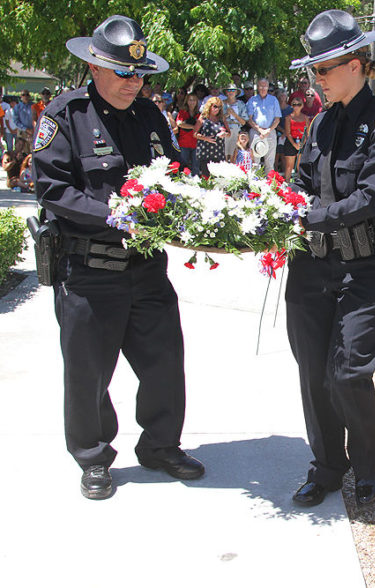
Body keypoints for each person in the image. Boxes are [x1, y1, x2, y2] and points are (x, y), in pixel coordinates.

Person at [32, 14, 204, 500]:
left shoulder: (149, 117)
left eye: (141, 74)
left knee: (166, 362)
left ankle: (161, 446)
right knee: (88, 373)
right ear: (94, 67)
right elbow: (52, 190)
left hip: (146, 268)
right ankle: (92, 456)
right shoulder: (64, 116)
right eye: (125, 74)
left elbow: (171, 176)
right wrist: (117, 215)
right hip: (90, 271)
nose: (135, 83)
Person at [286, 9, 375, 508]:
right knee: (314, 371)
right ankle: (327, 465)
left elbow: (371, 196)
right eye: (313, 70)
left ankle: (366, 466)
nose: (316, 80)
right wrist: (282, 209)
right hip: (314, 265)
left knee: (349, 371)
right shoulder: (318, 124)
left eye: (323, 69)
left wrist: (309, 217)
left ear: (354, 65)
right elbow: (300, 183)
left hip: (366, 267)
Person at [246, 78, 281, 173]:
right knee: (255, 163)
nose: (263, 88)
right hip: (256, 132)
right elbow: (249, 119)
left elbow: (277, 119)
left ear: (268, 87)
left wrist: (268, 130)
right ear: (257, 87)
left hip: (270, 131)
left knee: (270, 162)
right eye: (261, 86)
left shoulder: (273, 100)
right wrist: (260, 130)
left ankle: (269, 185)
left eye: (265, 86)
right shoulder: (252, 100)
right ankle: (254, 185)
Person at [194, 96, 229, 176]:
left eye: (219, 107)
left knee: (217, 176)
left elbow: (229, 133)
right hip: (205, 151)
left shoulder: (221, 118)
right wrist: (205, 138)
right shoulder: (203, 117)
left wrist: (224, 134)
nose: (217, 109)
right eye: (215, 106)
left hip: (218, 151)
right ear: (210, 106)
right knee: (205, 176)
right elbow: (195, 133)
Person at [282, 95, 307, 182]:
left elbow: (307, 133)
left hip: (302, 141)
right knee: (289, 166)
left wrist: (302, 143)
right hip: (291, 141)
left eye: (299, 104)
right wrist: (294, 145)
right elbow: (288, 133)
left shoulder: (305, 118)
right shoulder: (288, 118)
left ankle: (301, 184)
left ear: (302, 105)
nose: (296, 106)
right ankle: (287, 185)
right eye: (294, 104)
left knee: (300, 166)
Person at [176, 93, 200, 175]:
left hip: (196, 143)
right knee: (182, 164)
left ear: (197, 102)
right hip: (184, 142)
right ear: (187, 101)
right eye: (190, 100)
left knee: (196, 166)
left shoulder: (199, 114)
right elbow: (179, 123)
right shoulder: (182, 112)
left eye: (194, 100)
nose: (192, 102)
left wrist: (187, 126)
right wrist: (194, 127)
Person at [222, 84, 247, 163]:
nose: (231, 92)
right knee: (224, 153)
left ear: (236, 92)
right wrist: (227, 114)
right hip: (225, 129)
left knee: (234, 153)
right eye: (229, 90)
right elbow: (217, 119)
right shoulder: (221, 104)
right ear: (226, 92)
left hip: (236, 128)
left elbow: (243, 122)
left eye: (233, 90)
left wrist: (234, 115)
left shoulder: (241, 104)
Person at [13, 90, 34, 154]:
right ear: (21, 96)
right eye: (23, 95)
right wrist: (26, 129)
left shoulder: (34, 106)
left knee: (32, 151)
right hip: (22, 132)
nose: (25, 96)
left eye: (27, 95)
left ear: (29, 96)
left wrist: (33, 130)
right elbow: (16, 121)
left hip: (33, 131)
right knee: (22, 152)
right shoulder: (17, 107)